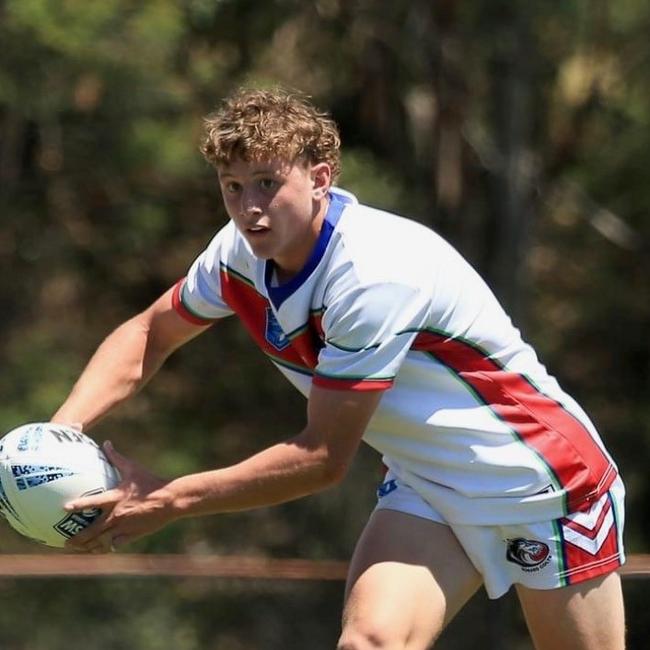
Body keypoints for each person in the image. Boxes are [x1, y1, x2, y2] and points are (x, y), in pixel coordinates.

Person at [52, 87, 626, 650]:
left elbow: (321, 459)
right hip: (430, 482)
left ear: (321, 178)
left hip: (541, 483)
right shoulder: (237, 255)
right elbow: (150, 332)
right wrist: (60, 432)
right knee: (370, 642)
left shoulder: (373, 274)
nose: (249, 207)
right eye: (232, 187)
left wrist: (168, 498)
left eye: (267, 184)